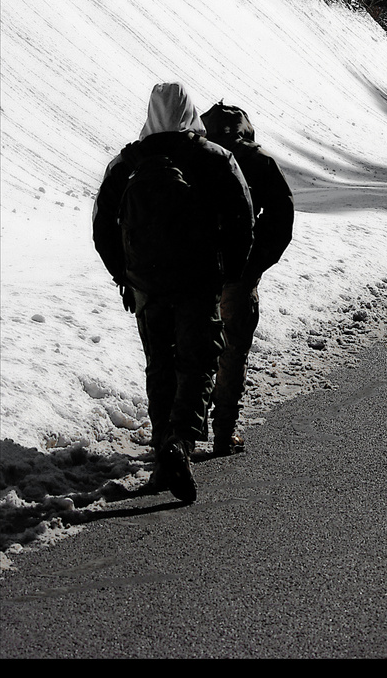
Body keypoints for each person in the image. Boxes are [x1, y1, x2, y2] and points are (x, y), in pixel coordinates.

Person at [92, 82, 253, 502]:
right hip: (199, 282)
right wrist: (229, 274)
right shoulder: (216, 158)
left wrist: (123, 277)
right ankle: (180, 441)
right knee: (198, 362)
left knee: (159, 365)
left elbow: (101, 226)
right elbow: (242, 218)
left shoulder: (127, 163)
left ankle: (164, 454)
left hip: (146, 284)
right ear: (189, 110)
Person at [200, 103, 294, 456]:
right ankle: (224, 433)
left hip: (197, 271)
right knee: (233, 351)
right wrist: (255, 263)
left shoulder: (197, 157)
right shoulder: (260, 162)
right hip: (239, 274)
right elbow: (281, 218)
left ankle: (189, 428)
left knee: (195, 350)